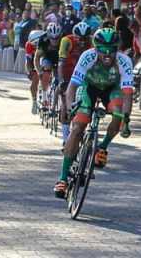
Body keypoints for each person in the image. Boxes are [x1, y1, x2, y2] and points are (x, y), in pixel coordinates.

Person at [53, 28, 135, 199]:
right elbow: (72, 87)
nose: (107, 54)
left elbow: (127, 94)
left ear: (116, 49)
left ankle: (102, 147)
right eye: (102, 50)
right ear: (95, 48)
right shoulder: (87, 56)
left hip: (112, 89)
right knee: (78, 126)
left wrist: (126, 120)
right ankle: (62, 178)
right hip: (88, 87)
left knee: (119, 113)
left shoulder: (124, 61)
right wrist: (69, 108)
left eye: (111, 50)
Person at [57, 22, 93, 138]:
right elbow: (61, 63)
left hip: (83, 75)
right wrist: (62, 80)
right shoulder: (66, 41)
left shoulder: (92, 42)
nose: (82, 42)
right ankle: (65, 136)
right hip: (68, 72)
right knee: (65, 101)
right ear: (74, 36)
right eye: (79, 39)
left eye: (85, 39)